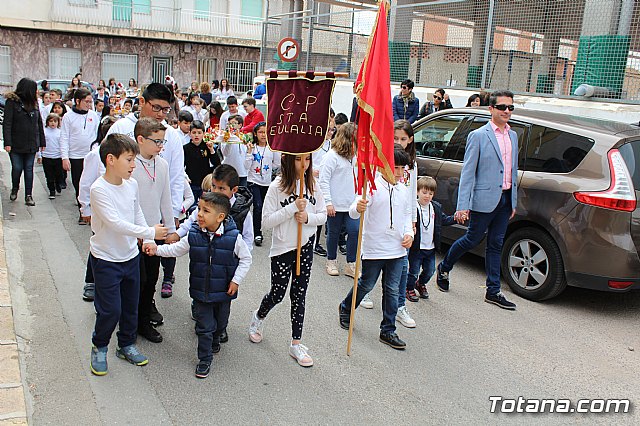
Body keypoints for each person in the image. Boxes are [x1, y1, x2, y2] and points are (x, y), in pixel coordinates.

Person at [88, 134, 168, 376]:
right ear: (111, 159)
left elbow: (136, 214)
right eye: (130, 159)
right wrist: (149, 231)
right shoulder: (99, 190)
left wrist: (148, 239)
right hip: (106, 259)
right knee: (110, 309)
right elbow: (116, 223)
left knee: (131, 305)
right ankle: (99, 346)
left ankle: (126, 345)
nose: (134, 165)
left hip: (130, 257)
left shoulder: (131, 184)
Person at [149, 192, 252, 378]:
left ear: (220, 217)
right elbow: (176, 249)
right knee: (205, 326)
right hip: (200, 291)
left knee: (220, 323)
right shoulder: (194, 235)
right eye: (199, 209)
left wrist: (236, 281)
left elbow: (246, 259)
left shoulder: (233, 238)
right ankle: (204, 359)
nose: (200, 214)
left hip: (223, 291)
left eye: (206, 211)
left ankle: (216, 337)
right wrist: (157, 250)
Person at [436, 90, 518, 310]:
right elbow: (468, 173)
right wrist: (463, 206)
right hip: (483, 199)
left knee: (496, 244)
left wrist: (513, 201)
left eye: (511, 108)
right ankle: (444, 267)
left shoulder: (513, 136)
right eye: (502, 107)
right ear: (491, 109)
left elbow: (513, 170)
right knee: (472, 239)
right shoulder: (479, 136)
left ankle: (493, 291)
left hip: (505, 200)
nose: (507, 111)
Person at [248, 153, 327, 367]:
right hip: (283, 248)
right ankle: (258, 316)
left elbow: (323, 215)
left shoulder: (313, 185)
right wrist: (292, 208)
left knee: (299, 295)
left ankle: (296, 343)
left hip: (306, 246)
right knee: (278, 294)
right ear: (288, 161)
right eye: (299, 159)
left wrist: (308, 218)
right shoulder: (276, 187)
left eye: (307, 160)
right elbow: (266, 221)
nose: (304, 164)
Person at [338, 146, 414, 350]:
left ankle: (388, 330)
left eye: (401, 168)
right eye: (394, 167)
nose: (398, 173)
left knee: (392, 289)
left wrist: (410, 234)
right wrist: (358, 207)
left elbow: (407, 216)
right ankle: (346, 307)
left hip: (397, 249)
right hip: (374, 248)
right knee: (366, 284)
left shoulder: (404, 190)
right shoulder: (370, 188)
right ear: (382, 167)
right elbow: (354, 213)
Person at [130, 118, 177, 343]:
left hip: (155, 234)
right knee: (136, 281)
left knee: (151, 279)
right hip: (134, 234)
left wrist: (171, 230)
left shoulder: (163, 164)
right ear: (140, 139)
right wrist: (138, 233)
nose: (161, 146)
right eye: (156, 141)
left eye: (162, 141)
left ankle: (144, 320)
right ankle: (132, 321)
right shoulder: (130, 164)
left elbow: (165, 199)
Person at [319, 122, 358, 278]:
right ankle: (331, 260)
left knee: (354, 231)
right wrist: (328, 202)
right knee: (333, 233)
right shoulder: (331, 156)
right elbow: (324, 180)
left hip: (352, 204)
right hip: (335, 204)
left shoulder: (357, 157)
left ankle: (351, 263)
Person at [406, 177, 454, 301]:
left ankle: (420, 283)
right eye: (424, 192)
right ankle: (409, 287)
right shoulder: (413, 207)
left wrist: (455, 218)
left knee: (430, 270)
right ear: (417, 192)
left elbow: (444, 220)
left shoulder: (435, 208)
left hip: (430, 247)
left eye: (431, 193)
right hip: (417, 247)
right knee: (413, 270)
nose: (427, 196)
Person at [3, 78, 46, 206]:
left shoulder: (34, 103)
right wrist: (7, 142)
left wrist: (42, 142)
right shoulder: (12, 102)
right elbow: (7, 123)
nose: (37, 92)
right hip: (16, 143)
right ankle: (15, 188)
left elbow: (39, 124)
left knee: (29, 169)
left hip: (31, 142)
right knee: (17, 167)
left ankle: (28, 195)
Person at [60, 88, 100, 224]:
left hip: (91, 155)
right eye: (86, 101)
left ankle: (94, 211)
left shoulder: (94, 116)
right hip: (75, 156)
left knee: (93, 183)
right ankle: (82, 211)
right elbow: (64, 137)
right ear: (77, 101)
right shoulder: (68, 117)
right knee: (79, 184)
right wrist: (64, 157)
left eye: (91, 102)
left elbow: (97, 136)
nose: (89, 104)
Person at [393, 119, 418, 327]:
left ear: (410, 140)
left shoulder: (412, 164)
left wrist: (413, 221)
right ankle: (361, 293)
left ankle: (400, 305)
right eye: (395, 138)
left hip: (404, 221)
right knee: (374, 265)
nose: (399, 142)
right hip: (385, 221)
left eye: (403, 138)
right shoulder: (385, 160)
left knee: (402, 266)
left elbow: (412, 193)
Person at [244, 122, 280, 247]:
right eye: (260, 132)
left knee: (266, 208)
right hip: (253, 181)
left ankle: (262, 228)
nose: (263, 135)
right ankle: (257, 232)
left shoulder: (271, 148)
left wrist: (268, 170)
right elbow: (246, 166)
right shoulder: (252, 147)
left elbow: (277, 163)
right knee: (257, 206)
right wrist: (249, 153)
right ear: (255, 133)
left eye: (266, 132)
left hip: (266, 182)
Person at [184, 120, 219, 205]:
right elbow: (181, 165)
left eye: (199, 133)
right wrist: (185, 177)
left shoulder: (207, 146)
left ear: (203, 134)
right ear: (189, 133)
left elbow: (217, 163)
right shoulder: (185, 148)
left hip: (205, 183)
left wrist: (211, 150)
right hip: (192, 182)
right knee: (192, 205)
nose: (196, 135)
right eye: (194, 132)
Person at [220, 114, 249, 186]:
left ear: (240, 125)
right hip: (228, 173)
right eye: (229, 124)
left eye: (233, 123)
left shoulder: (245, 137)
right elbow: (225, 153)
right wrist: (229, 140)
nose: (231, 126)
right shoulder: (224, 137)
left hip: (242, 172)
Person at [42, 113, 64, 199]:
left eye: (55, 121)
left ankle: (58, 184)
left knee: (58, 173)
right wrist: (40, 155)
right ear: (47, 122)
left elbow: (62, 144)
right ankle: (51, 190)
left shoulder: (60, 132)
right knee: (49, 175)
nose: (53, 123)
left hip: (58, 156)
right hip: (46, 156)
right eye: (51, 121)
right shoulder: (44, 131)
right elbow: (41, 144)